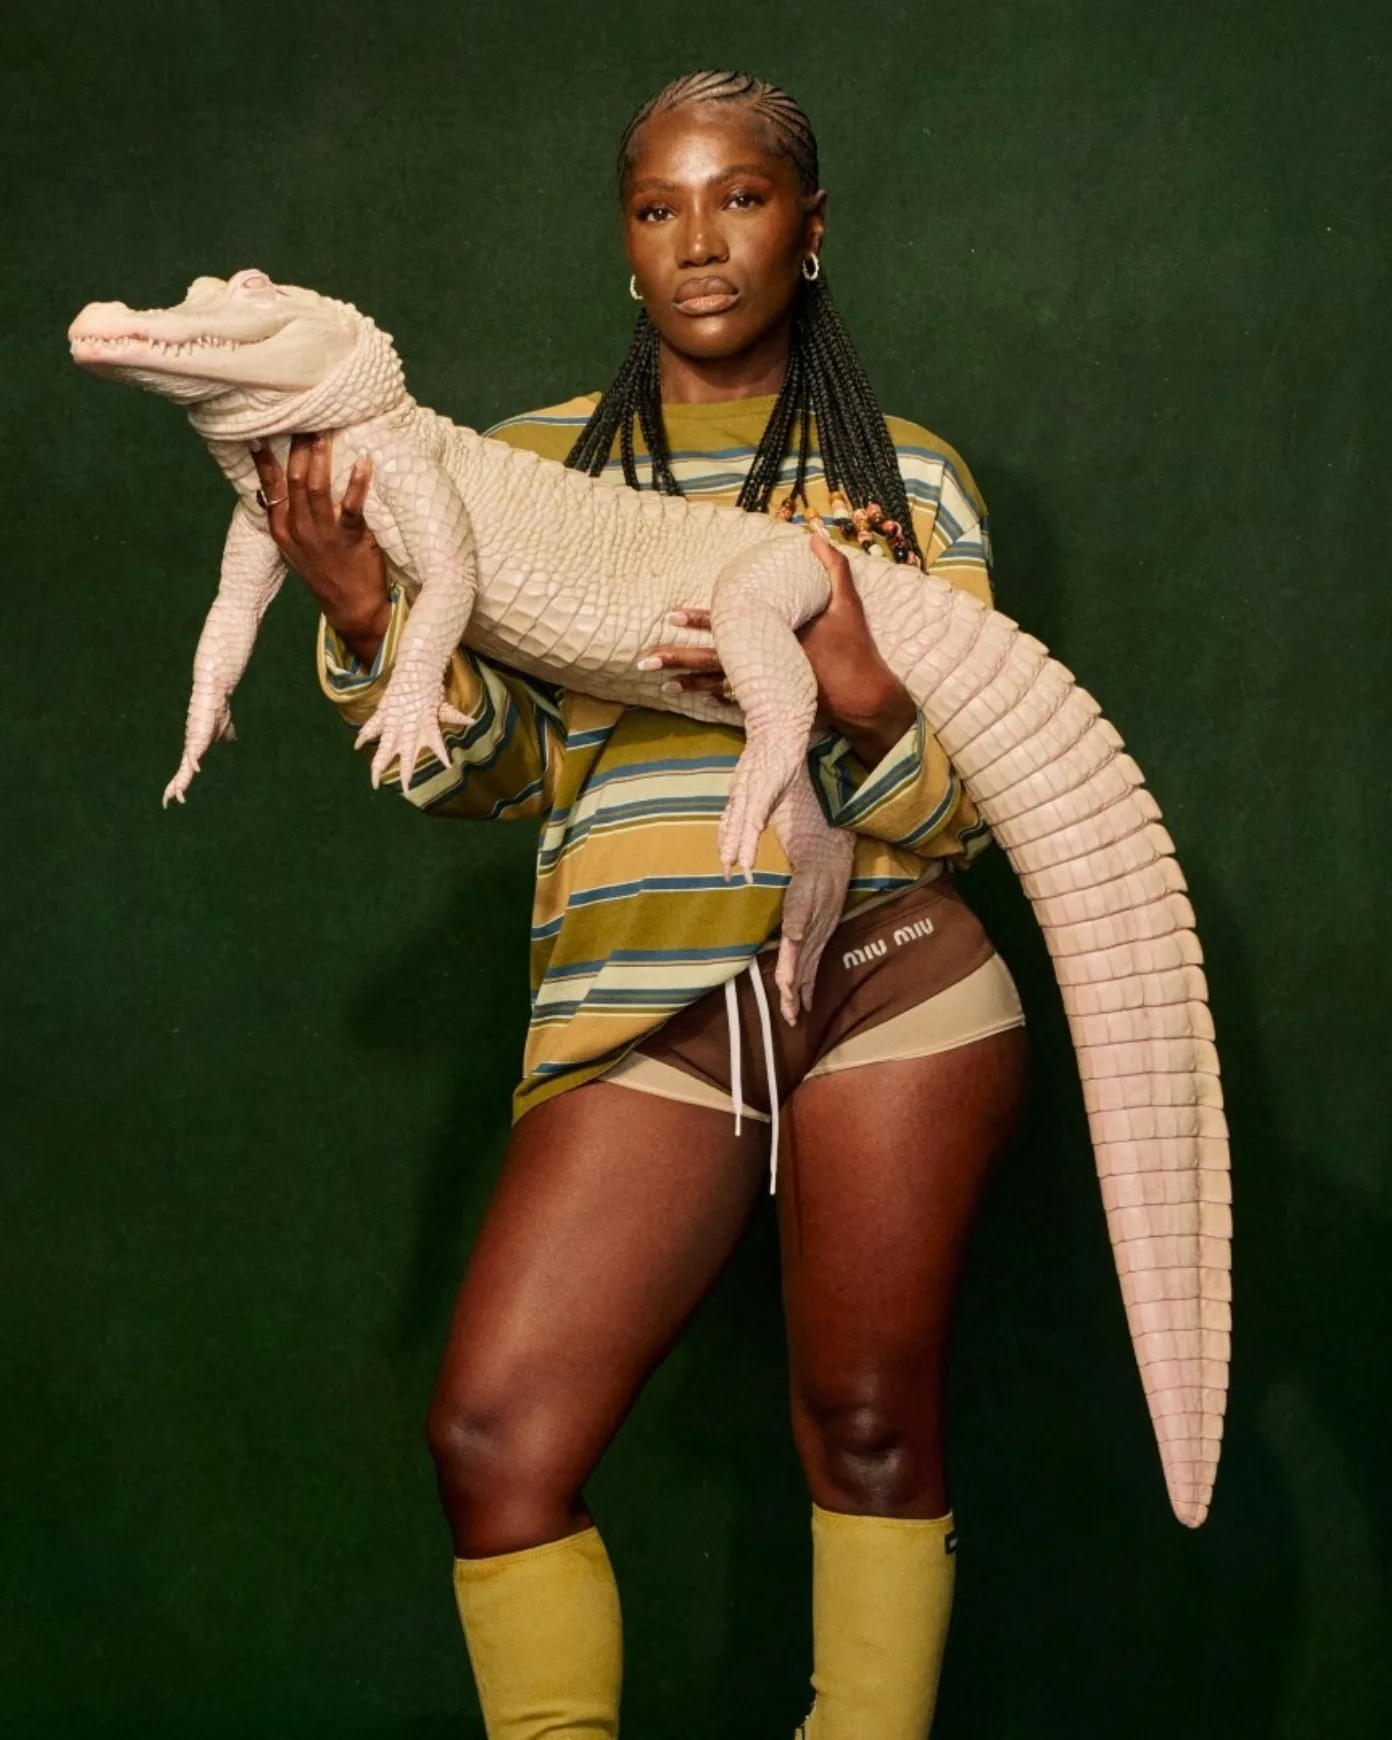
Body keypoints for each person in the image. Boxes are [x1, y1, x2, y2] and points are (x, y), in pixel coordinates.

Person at [253, 69, 1029, 1740]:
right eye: (659, 206)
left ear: (809, 232)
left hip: (896, 967)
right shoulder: (517, 462)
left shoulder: (908, 480)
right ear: (624, 247)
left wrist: (858, 691)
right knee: (497, 1440)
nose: (699, 240)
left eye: (741, 198)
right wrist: (377, 615)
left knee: (874, 1420)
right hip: (649, 982)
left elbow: (974, 803)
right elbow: (498, 774)